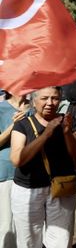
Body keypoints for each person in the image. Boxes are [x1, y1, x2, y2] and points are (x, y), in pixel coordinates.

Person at [10, 87, 76, 248]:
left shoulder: (68, 121)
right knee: (29, 241)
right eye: (44, 98)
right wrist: (46, 134)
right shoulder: (23, 125)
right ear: (34, 101)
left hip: (62, 187)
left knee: (61, 241)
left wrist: (68, 133)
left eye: (55, 98)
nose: (50, 103)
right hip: (28, 190)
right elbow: (17, 159)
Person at [0, 92, 29, 248]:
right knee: (6, 224)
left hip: (31, 174)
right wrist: (13, 125)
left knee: (27, 224)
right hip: (6, 173)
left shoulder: (36, 108)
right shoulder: (1, 108)